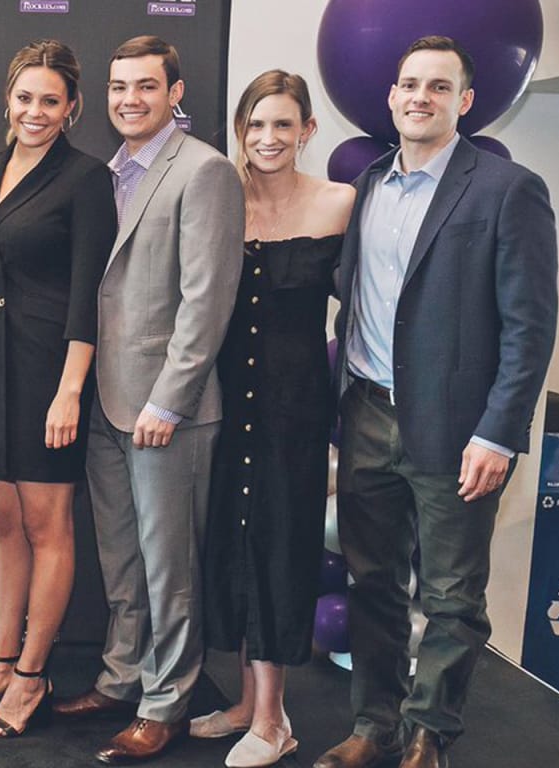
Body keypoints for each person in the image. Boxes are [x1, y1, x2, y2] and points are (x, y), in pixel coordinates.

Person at [317, 36, 558, 768]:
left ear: (465, 101)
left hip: (457, 429)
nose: (419, 96)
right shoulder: (367, 190)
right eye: (409, 83)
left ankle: (430, 735)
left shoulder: (505, 190)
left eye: (437, 86)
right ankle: (375, 725)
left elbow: (528, 326)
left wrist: (499, 433)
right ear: (390, 97)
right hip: (364, 412)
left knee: (453, 596)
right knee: (374, 583)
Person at [51, 35, 244, 765]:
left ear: (175, 93)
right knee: (122, 560)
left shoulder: (206, 171)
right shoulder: (111, 173)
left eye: (144, 86)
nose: (129, 98)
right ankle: (121, 675)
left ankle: (166, 702)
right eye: (118, 87)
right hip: (107, 401)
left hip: (169, 412)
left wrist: (170, 400)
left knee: (171, 568)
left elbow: (206, 300)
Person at [188, 70, 354, 768]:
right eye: (255, 125)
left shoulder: (339, 203)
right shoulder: (221, 199)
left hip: (294, 408)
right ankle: (246, 705)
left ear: (307, 130)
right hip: (225, 406)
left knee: (280, 551)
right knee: (232, 545)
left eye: (283, 125)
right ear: (239, 130)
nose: (267, 139)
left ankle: (275, 718)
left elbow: (368, 314)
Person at [0, 38, 116, 739]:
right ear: (8, 99)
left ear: (72, 108)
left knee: (49, 526)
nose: (36, 110)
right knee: (4, 522)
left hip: (49, 371)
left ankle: (32, 673)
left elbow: (90, 297)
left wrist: (71, 390)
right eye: (26, 97)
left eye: (51, 100)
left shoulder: (85, 179)